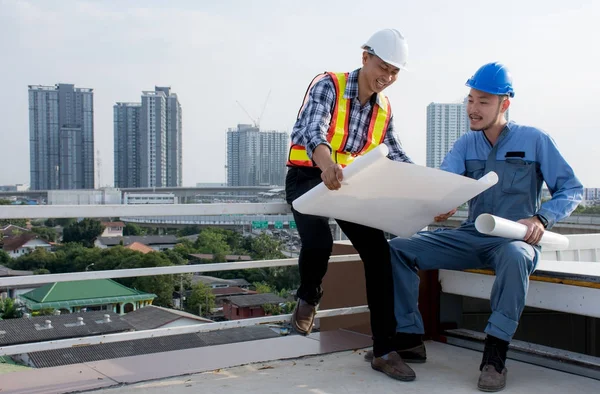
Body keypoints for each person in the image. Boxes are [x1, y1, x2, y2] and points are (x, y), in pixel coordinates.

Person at [385, 62, 583, 391]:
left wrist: (541, 218)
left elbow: (571, 189)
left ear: (504, 104)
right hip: (470, 237)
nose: (473, 110)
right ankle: (408, 338)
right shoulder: (465, 144)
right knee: (398, 249)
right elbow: (444, 184)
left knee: (516, 257)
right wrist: (440, 203)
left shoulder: (534, 140)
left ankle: (495, 354)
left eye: (483, 102)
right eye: (470, 100)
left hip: (512, 241)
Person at [285, 28, 418, 381]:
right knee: (319, 244)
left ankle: (385, 349)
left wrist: (427, 189)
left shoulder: (384, 108)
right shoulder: (328, 85)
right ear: (365, 57)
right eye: (383, 67)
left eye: (394, 72)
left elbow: (396, 154)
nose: (387, 78)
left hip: (348, 184)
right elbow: (311, 129)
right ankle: (309, 295)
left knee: (379, 253)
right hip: (309, 175)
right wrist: (326, 163)